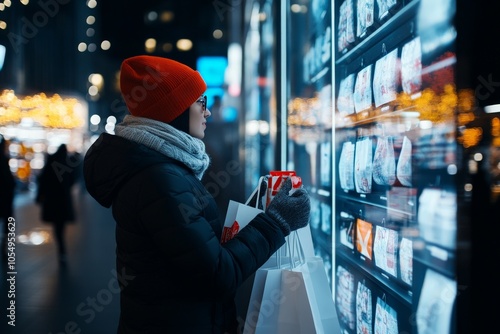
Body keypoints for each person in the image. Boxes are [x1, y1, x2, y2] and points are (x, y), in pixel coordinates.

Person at [83, 55, 311, 334]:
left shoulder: (160, 168)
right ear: (175, 110)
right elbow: (218, 273)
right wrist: (277, 223)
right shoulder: (161, 180)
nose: (208, 112)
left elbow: (194, 255)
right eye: (200, 102)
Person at [36, 143, 76, 264]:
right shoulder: (68, 163)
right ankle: (62, 251)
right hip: (63, 201)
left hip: (52, 200)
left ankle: (61, 249)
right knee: (60, 226)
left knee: (56, 226)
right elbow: (72, 180)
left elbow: (43, 180)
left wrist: (40, 195)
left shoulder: (52, 161)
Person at [0, 135, 16, 257]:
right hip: (5, 198)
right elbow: (8, 180)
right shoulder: (4, 159)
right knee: (8, 222)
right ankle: (5, 246)